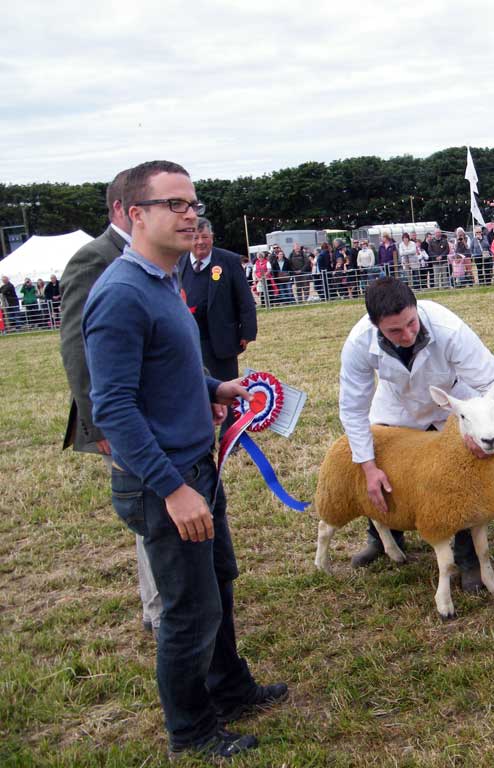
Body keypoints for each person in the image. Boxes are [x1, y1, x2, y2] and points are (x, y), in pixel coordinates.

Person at [82, 160, 287, 759]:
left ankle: (229, 687)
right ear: (134, 214)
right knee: (187, 612)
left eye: (191, 202)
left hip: (198, 465)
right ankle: (192, 732)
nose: (189, 213)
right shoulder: (120, 293)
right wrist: (173, 489)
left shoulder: (164, 279)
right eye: (172, 204)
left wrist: (211, 387)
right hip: (164, 482)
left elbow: (165, 367)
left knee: (217, 586)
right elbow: (113, 408)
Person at [339, 277, 494, 589]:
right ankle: (383, 538)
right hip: (397, 406)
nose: (407, 335)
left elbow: (493, 379)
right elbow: (353, 408)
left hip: (450, 405)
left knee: (456, 477)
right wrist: (368, 467)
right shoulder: (357, 344)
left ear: (416, 308)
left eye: (411, 323)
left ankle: (468, 557)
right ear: (375, 325)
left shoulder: (449, 329)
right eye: (395, 330)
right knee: (386, 464)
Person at [59, 169, 163, 635]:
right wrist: (98, 424)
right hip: (125, 415)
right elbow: (77, 350)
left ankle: (169, 600)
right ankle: (158, 609)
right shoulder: (94, 259)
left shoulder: (155, 257)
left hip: (163, 408)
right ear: (125, 210)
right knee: (150, 506)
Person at [178, 217, 258, 437]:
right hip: (189, 336)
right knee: (196, 384)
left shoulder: (229, 261)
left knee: (227, 385)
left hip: (222, 337)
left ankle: (231, 434)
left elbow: (244, 299)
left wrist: (247, 332)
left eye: (204, 237)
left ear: (211, 238)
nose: (200, 242)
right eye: (195, 237)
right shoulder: (179, 261)